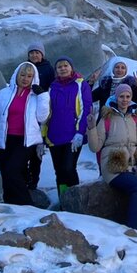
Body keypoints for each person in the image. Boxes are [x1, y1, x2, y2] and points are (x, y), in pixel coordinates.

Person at [86, 84, 137, 231]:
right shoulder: (107, 117)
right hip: (113, 165)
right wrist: (91, 127)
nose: (124, 100)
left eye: (127, 96)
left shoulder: (135, 118)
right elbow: (95, 147)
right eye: (121, 96)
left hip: (132, 164)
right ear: (115, 98)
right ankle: (136, 230)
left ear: (131, 98)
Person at [0, 62, 50, 205]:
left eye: (29, 76)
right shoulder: (3, 94)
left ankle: (27, 206)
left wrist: (43, 96)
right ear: (16, 75)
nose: (25, 79)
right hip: (5, 140)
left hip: (25, 141)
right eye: (22, 75)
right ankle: (11, 209)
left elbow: (42, 118)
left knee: (12, 171)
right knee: (6, 176)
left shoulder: (36, 96)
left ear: (34, 78)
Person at [46, 57, 93, 198]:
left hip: (73, 135)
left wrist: (80, 132)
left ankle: (75, 200)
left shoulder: (80, 84)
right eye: (59, 67)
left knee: (68, 168)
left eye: (66, 65)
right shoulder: (52, 87)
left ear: (71, 68)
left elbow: (86, 108)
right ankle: (63, 199)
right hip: (54, 135)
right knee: (59, 171)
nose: (63, 68)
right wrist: (43, 136)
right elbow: (47, 112)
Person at [26, 41, 54, 189]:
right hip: (26, 113)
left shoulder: (48, 69)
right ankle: (25, 177)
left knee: (37, 147)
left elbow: (53, 89)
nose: (34, 55)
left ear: (42, 54)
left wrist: (43, 93)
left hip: (41, 112)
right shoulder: (25, 67)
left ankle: (33, 180)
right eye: (32, 53)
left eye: (37, 52)